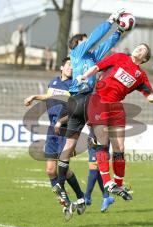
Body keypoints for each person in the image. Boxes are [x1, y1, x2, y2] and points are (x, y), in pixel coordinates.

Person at [78, 43, 153, 200]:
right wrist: (85, 76)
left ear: (145, 59)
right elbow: (97, 67)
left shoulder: (140, 76)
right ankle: (107, 181)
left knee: (120, 148)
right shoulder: (119, 57)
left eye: (143, 50)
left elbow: (150, 97)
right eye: (138, 47)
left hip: (116, 107)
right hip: (99, 101)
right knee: (102, 142)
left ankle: (118, 184)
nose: (138, 49)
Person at [54, 9, 126, 215]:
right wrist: (110, 20)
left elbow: (107, 44)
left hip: (77, 102)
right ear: (77, 44)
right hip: (83, 101)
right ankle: (108, 184)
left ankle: (61, 183)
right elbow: (96, 37)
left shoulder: (92, 58)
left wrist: (120, 31)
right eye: (85, 40)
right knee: (100, 139)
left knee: (71, 145)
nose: (89, 42)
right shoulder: (77, 53)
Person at [24, 57, 84, 221]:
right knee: (51, 171)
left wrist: (60, 121)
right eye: (69, 65)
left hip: (66, 129)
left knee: (62, 170)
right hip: (52, 130)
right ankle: (67, 202)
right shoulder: (54, 82)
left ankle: (79, 197)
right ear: (61, 67)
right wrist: (34, 96)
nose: (71, 68)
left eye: (73, 65)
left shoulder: (74, 85)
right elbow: (49, 96)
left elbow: (76, 109)